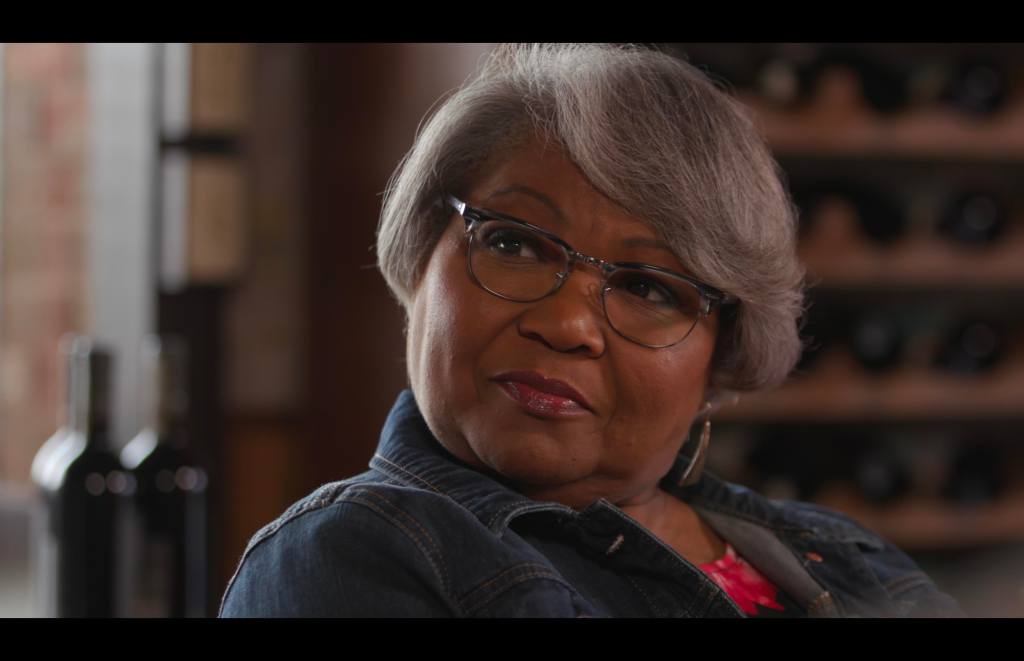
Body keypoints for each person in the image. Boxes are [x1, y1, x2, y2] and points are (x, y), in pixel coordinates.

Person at [219, 44, 964, 617]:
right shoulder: (348, 554)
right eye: (513, 244)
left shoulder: (836, 547)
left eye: (647, 287)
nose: (566, 325)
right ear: (421, 258)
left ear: (722, 353)